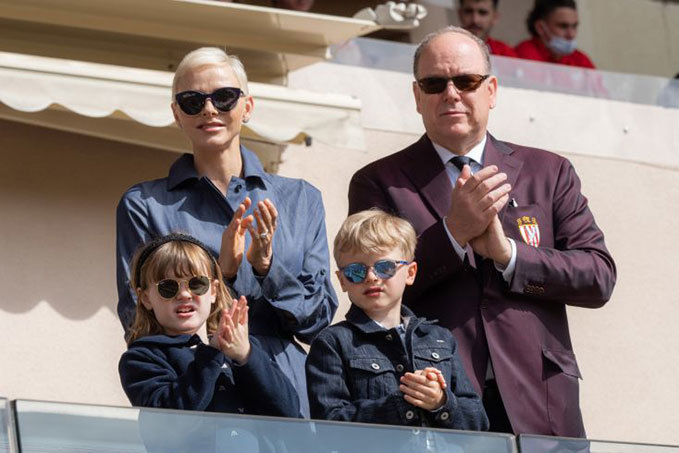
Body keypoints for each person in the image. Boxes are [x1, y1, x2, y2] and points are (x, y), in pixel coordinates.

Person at [348, 26, 616, 437]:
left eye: (466, 81)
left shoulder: (549, 171)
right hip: (438, 398)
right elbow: (369, 284)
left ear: (491, 90)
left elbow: (598, 277)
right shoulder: (380, 181)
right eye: (435, 83)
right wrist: (453, 233)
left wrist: (509, 255)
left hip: (541, 400)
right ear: (417, 97)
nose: (451, 94)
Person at [116, 47, 338, 417]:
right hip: (196, 400)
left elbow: (317, 322)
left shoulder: (301, 199)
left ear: (247, 106)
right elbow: (136, 319)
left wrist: (268, 269)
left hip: (287, 398)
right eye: (192, 101)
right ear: (176, 113)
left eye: (223, 97)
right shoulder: (144, 204)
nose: (209, 109)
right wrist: (225, 272)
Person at [306, 210, 488, 431]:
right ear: (342, 280)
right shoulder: (332, 343)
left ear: (410, 273)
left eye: (385, 267)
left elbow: (478, 420)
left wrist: (441, 402)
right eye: (356, 271)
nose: (372, 277)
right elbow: (328, 425)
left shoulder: (440, 338)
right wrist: (401, 405)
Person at [119, 233, 300, 418]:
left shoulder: (243, 347)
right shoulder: (142, 357)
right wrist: (211, 355)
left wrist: (246, 356)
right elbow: (169, 420)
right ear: (146, 298)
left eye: (197, 284)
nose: (184, 295)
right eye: (168, 287)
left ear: (213, 291)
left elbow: (289, 411)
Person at [515, 0, 595, 68]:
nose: (571, 35)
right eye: (563, 26)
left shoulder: (580, 60)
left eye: (574, 26)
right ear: (540, 28)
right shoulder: (522, 56)